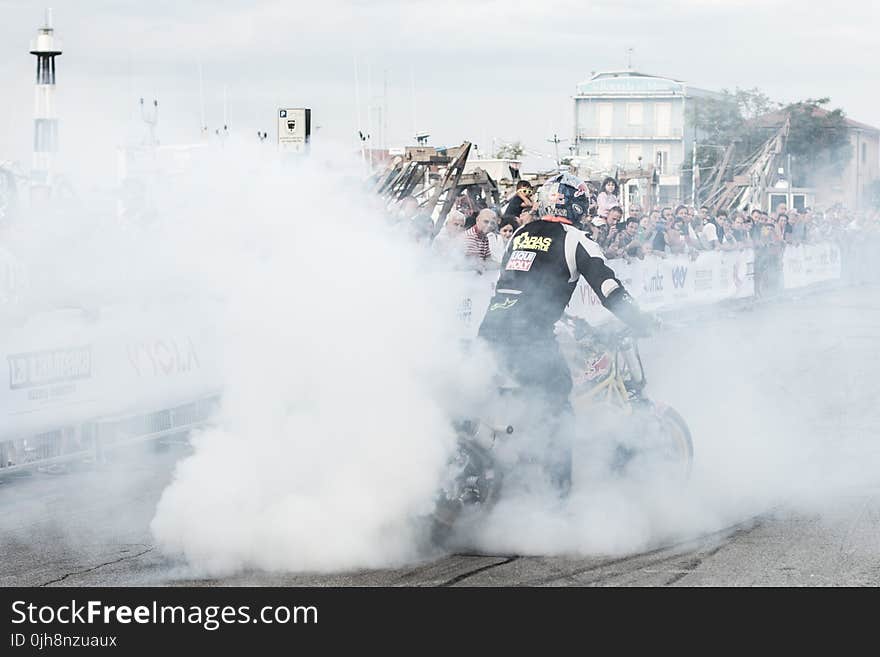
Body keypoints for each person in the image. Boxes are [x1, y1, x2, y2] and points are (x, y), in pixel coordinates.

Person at [477, 173, 656, 494]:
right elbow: (608, 287)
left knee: (520, 399)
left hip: (490, 331)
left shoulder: (520, 233)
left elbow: (528, 286)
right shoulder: (577, 239)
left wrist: (568, 320)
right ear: (577, 207)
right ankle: (558, 499)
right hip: (528, 337)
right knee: (559, 406)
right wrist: (640, 320)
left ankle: (512, 466)